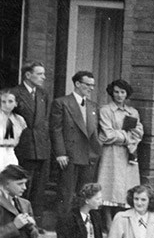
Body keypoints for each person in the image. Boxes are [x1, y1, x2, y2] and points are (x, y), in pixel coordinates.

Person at [51, 70, 103, 217]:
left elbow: (95, 131)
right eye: (88, 84)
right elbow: (56, 130)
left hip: (89, 156)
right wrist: (60, 153)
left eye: (93, 85)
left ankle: (80, 225)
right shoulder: (62, 103)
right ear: (77, 84)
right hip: (69, 155)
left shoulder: (93, 106)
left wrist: (96, 150)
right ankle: (64, 228)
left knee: (85, 195)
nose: (91, 88)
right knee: (66, 193)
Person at [10, 61, 52, 220]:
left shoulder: (43, 94)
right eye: (40, 74)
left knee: (39, 187)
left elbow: (45, 120)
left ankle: (34, 221)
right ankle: (20, 218)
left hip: (41, 147)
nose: (44, 77)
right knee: (22, 186)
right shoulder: (14, 93)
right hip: (23, 146)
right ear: (28, 75)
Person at [95, 79, 143, 213]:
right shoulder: (106, 110)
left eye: (122, 92)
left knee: (126, 187)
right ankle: (107, 219)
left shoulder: (133, 112)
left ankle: (121, 218)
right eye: (116, 92)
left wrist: (124, 138)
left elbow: (139, 133)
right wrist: (128, 137)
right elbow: (107, 134)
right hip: (111, 152)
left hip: (129, 152)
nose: (119, 95)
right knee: (109, 185)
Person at [0, 91, 26, 170]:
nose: (7, 105)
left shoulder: (19, 119)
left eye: (10, 101)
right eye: (3, 102)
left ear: (16, 103)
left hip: (11, 152)